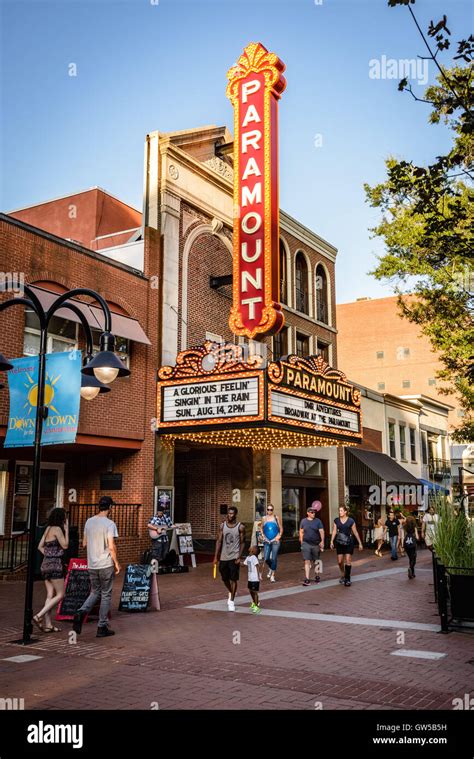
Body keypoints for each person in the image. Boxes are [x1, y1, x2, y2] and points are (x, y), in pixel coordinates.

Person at [73, 496, 121, 637]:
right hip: (105, 564)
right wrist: (116, 562)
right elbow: (111, 546)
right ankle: (102, 626)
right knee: (106, 595)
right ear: (110, 507)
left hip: (92, 564)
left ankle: (81, 611)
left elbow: (84, 543)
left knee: (95, 592)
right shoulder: (110, 524)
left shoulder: (89, 521)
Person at [33, 508, 69, 633]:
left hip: (45, 564)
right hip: (55, 565)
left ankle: (48, 625)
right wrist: (67, 530)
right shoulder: (58, 529)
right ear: (61, 518)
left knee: (50, 595)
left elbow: (39, 546)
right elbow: (65, 545)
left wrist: (48, 554)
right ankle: (39, 616)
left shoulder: (48, 528)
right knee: (60, 594)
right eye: (65, 516)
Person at [213, 506, 245, 611]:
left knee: (234, 579)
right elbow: (219, 541)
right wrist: (215, 557)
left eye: (232, 513)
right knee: (224, 578)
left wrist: (239, 557)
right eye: (229, 513)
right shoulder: (222, 526)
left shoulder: (240, 527)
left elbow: (242, 543)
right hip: (224, 556)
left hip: (234, 556)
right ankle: (231, 591)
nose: (230, 515)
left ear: (235, 514)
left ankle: (231, 600)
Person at [330, 505, 363, 586]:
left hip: (349, 542)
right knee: (340, 561)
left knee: (348, 559)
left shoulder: (351, 521)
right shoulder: (336, 521)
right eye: (339, 511)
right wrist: (331, 541)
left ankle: (347, 579)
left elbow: (355, 532)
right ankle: (343, 574)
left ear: (345, 512)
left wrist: (360, 543)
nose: (339, 512)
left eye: (341, 511)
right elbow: (334, 531)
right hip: (339, 542)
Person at [299, 506, 325, 586]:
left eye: (314, 512)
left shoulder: (318, 521)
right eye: (312, 512)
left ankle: (317, 576)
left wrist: (322, 541)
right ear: (308, 513)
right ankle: (307, 579)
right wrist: (301, 542)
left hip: (316, 544)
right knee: (307, 561)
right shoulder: (303, 521)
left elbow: (321, 531)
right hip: (306, 543)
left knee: (317, 561)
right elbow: (301, 531)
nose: (313, 513)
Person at [261, 503, 283, 583]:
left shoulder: (276, 518)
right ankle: (271, 567)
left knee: (274, 558)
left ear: (273, 510)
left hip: (275, 541)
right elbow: (261, 528)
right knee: (266, 558)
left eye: (271, 509)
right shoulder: (264, 518)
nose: (269, 511)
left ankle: (273, 575)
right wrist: (263, 535)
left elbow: (281, 528)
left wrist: (279, 536)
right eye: (268, 509)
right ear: (266, 510)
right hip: (267, 541)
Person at [243, 544, 261, 614]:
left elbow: (257, 566)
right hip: (250, 578)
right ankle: (254, 602)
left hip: (255, 578)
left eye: (252, 547)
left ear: (254, 550)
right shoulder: (248, 557)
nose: (250, 547)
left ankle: (257, 607)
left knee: (254, 592)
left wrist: (259, 576)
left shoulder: (254, 557)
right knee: (251, 591)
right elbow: (243, 565)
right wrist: (238, 562)